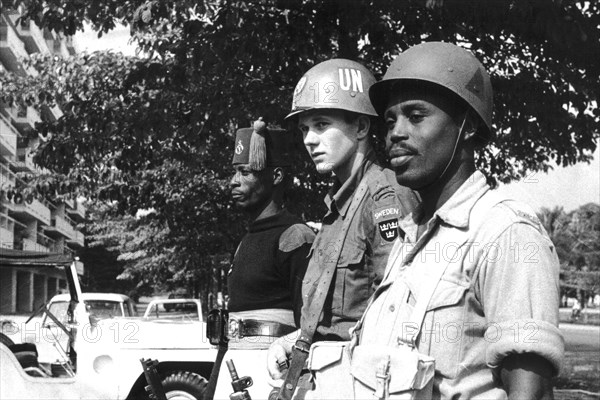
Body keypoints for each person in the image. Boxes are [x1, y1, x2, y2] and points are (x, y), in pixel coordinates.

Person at [288, 42, 563, 399]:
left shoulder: (505, 233)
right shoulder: (411, 237)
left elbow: (532, 393)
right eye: (389, 121)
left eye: (416, 116)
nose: (395, 134)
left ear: (467, 127)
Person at [267, 59, 419, 399]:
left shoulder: (384, 199)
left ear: (362, 128)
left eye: (321, 125)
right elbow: (337, 317)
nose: (309, 139)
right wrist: (297, 339)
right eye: (304, 128)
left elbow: (401, 313)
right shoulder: (337, 209)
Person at [208, 120, 315, 400]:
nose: (234, 181)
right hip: (235, 369)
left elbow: (312, 326)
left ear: (276, 176)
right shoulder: (246, 240)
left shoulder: (295, 237)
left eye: (245, 172)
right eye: (234, 172)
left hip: (272, 377)